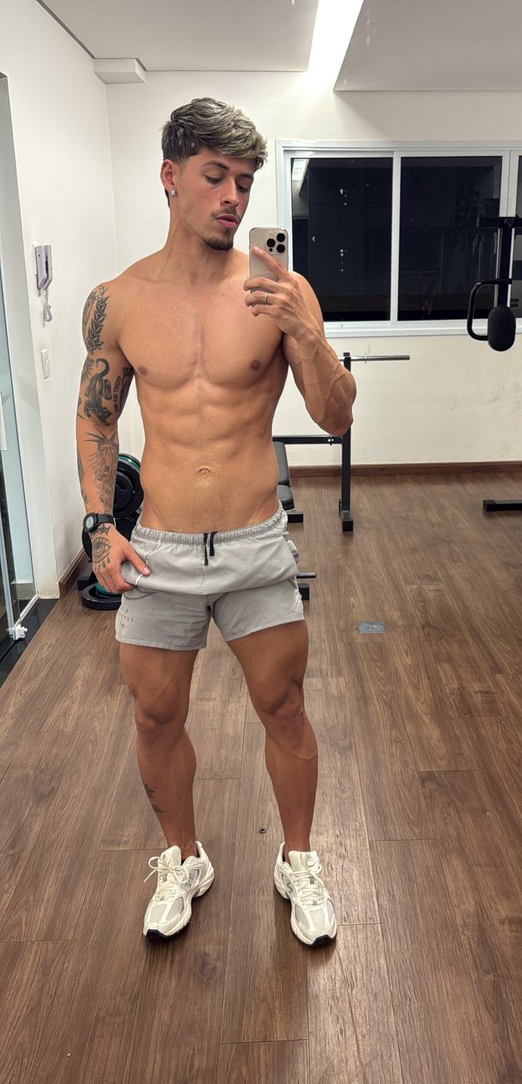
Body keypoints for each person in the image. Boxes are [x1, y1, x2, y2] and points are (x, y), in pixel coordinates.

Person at [76, 97, 356, 945]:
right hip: (158, 547)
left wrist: (304, 333)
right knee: (155, 716)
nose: (233, 196)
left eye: (244, 181)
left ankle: (297, 860)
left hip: (254, 541)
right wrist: (100, 525)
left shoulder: (280, 291)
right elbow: (96, 417)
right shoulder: (118, 300)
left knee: (283, 707)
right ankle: (182, 856)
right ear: (170, 177)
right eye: (215, 176)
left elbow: (337, 416)